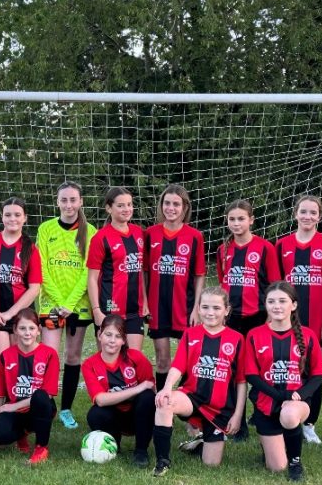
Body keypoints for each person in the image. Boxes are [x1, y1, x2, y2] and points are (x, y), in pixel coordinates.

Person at [152, 287, 245, 476]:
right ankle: (163, 461)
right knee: (164, 403)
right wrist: (167, 387)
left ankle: (199, 443)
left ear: (226, 310)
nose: (210, 313)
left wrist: (237, 415)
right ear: (199, 309)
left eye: (216, 308)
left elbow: (241, 381)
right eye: (205, 307)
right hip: (192, 397)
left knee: (211, 464)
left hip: (220, 408)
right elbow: (178, 366)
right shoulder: (190, 334)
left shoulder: (237, 339)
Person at [242, 281, 322, 482]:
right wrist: (278, 395)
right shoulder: (255, 335)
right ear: (266, 305)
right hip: (266, 404)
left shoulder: (307, 335)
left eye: (282, 301)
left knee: (289, 414)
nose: (277, 306)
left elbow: (318, 374)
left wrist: (299, 395)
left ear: (293, 305)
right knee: (277, 467)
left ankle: (296, 463)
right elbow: (251, 375)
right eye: (271, 301)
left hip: (296, 403)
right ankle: (272, 445)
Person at [275, 195, 322, 445]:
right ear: (295, 214)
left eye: (313, 212)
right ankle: (281, 415)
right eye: (303, 212)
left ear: (320, 216)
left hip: (317, 318)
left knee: (314, 370)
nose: (308, 216)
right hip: (287, 321)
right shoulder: (282, 245)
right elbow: (277, 287)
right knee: (286, 367)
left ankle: (310, 423)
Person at [216, 199, 279, 442]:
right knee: (232, 371)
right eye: (232, 219)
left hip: (258, 318)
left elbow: (274, 285)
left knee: (261, 369)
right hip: (232, 319)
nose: (236, 223)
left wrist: (271, 316)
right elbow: (224, 283)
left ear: (251, 220)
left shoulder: (265, 248)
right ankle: (237, 423)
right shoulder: (224, 249)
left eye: (241, 218)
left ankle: (262, 414)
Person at [35, 181, 96, 430]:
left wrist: (70, 304)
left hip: (78, 305)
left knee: (72, 355)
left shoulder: (89, 231)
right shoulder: (46, 228)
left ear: (81, 201)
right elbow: (42, 268)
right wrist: (60, 302)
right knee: (49, 356)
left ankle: (66, 409)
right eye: (64, 200)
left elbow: (87, 271)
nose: (69, 205)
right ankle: (46, 405)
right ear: (57, 202)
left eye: (73, 200)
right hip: (52, 302)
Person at [0, 197, 43, 429]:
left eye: (17, 215)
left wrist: (12, 313)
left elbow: (34, 287)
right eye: (8, 214)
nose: (12, 219)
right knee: (1, 363)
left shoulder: (30, 248)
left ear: (25, 218)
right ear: (2, 217)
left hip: (21, 316)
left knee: (20, 364)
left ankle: (16, 411)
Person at [144, 184, 205, 390]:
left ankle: (188, 407)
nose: (171, 208)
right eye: (167, 203)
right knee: (162, 359)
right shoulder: (150, 234)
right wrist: (144, 301)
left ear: (185, 207)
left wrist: (197, 307)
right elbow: (143, 272)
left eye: (176, 204)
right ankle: (162, 404)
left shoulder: (195, 236)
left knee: (188, 359)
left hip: (185, 307)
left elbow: (199, 275)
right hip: (157, 306)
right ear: (161, 206)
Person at [81, 314, 157, 468]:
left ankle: (141, 451)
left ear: (123, 341)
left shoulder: (136, 358)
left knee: (148, 398)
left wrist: (141, 390)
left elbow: (150, 389)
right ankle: (114, 445)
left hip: (136, 416)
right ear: (99, 335)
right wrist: (137, 388)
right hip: (113, 415)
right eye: (108, 334)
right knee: (95, 414)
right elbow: (101, 400)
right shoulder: (89, 364)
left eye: (118, 336)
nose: (112, 340)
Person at [0, 309, 60, 464]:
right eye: (22, 328)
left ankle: (41, 447)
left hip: (40, 409)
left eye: (31, 328)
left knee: (40, 396)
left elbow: (48, 395)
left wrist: (13, 407)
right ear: (15, 330)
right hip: (16, 411)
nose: (27, 333)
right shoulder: (6, 356)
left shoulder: (49, 354)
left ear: (39, 331)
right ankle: (21, 435)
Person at [87, 187, 148, 350]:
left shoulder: (139, 233)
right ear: (109, 208)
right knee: (108, 362)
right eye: (121, 205)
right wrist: (97, 311)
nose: (127, 209)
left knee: (132, 360)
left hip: (135, 309)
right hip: (109, 309)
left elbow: (141, 270)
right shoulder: (100, 238)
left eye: (129, 204)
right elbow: (92, 278)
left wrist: (146, 301)